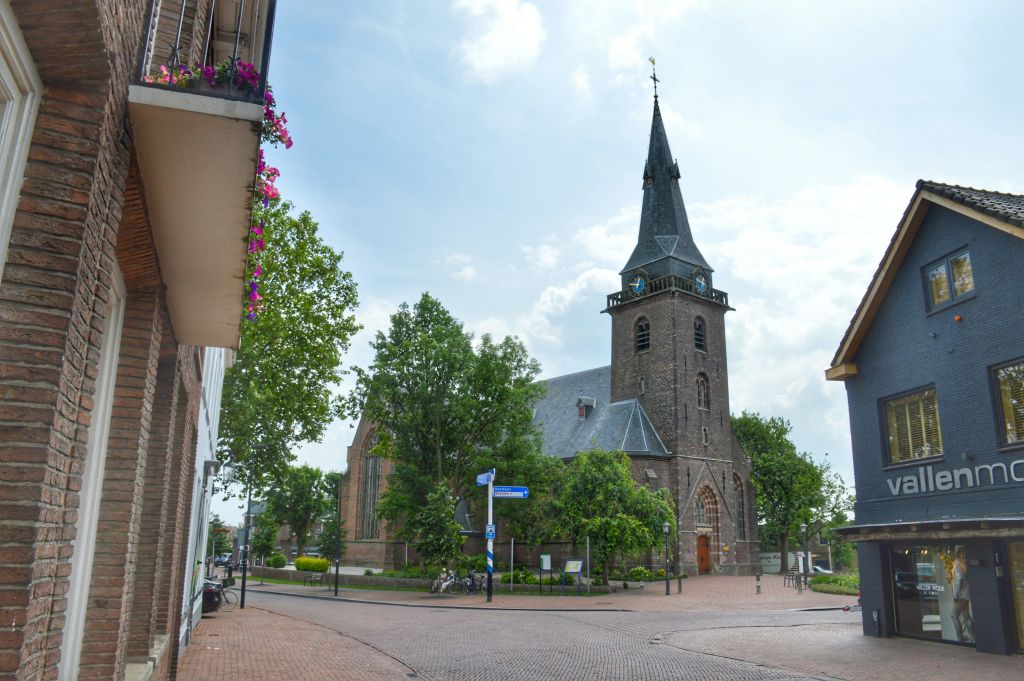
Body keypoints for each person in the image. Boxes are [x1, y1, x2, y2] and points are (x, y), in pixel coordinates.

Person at [951, 549, 973, 642]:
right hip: (966, 594)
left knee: (953, 615)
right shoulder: (964, 564)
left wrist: (956, 594)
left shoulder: (958, 565)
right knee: (966, 615)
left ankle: (960, 638)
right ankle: (973, 637)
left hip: (961, 595)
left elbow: (960, 579)